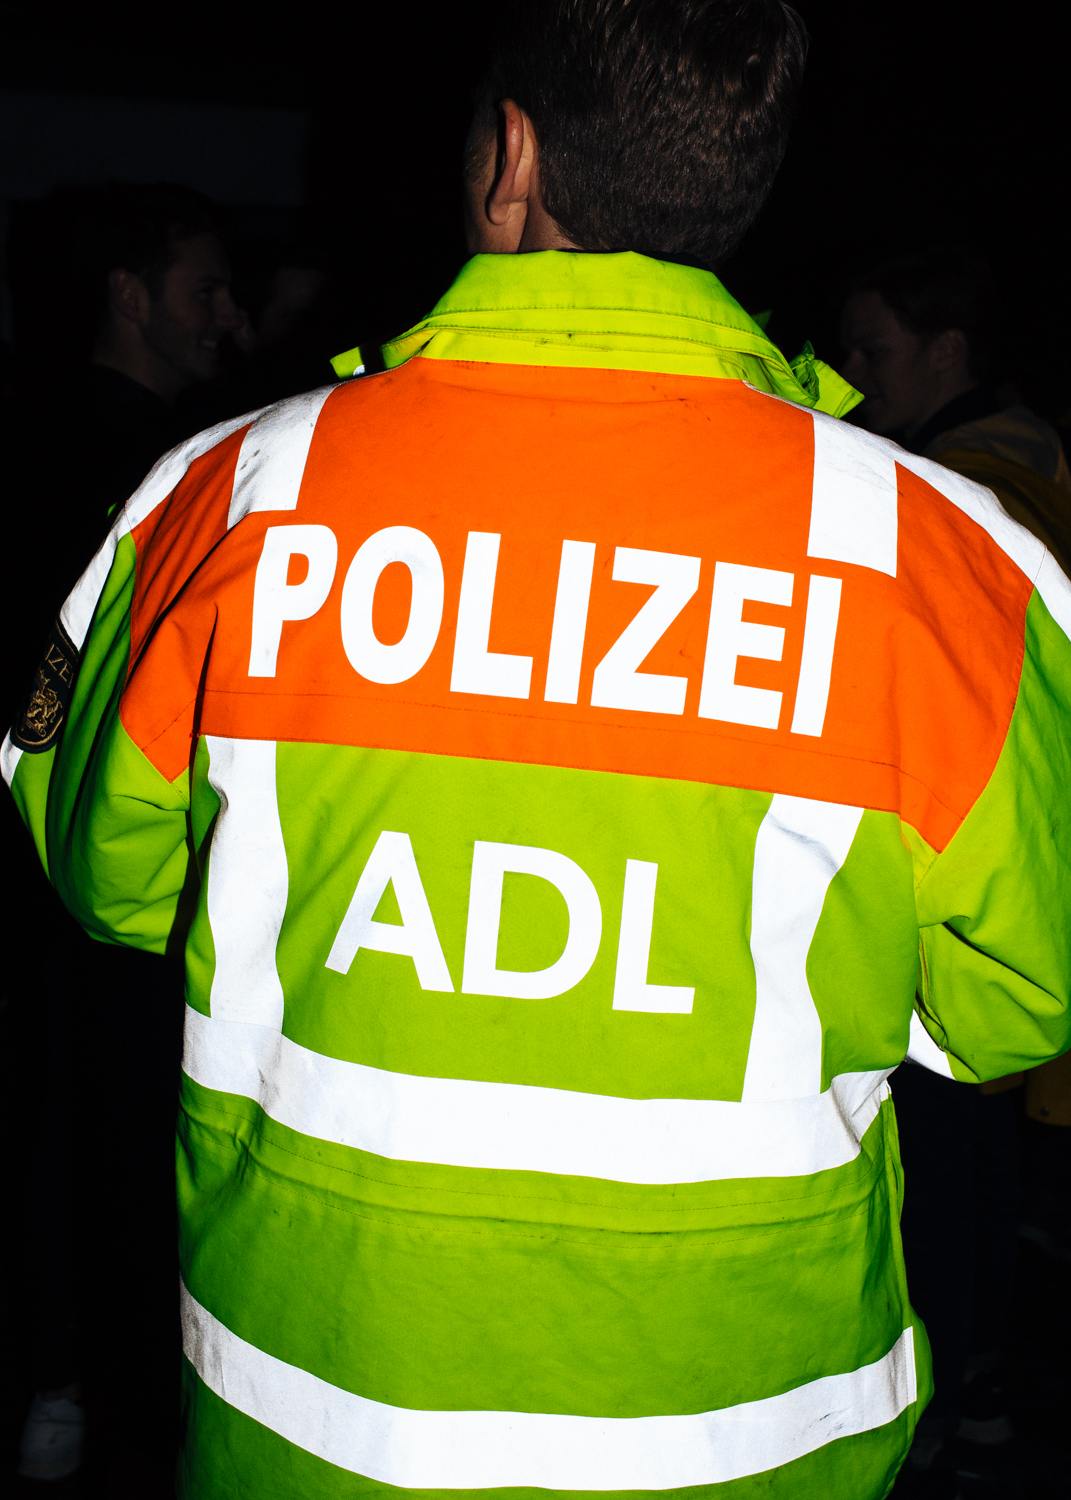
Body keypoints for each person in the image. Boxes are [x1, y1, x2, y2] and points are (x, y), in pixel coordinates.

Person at [5, 4, 1071, 1498]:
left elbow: (106, 869)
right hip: (751, 1432)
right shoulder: (943, 558)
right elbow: (1020, 996)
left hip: (314, 1415)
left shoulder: (234, 492)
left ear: (510, 158)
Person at [2, 180, 240, 1491]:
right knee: (98, 1128)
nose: (227, 314)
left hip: (83, 864)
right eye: (204, 288)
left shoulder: (154, 448)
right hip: (96, 871)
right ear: (129, 294)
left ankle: (77, 1379)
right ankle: (89, 1383)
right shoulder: (142, 467)